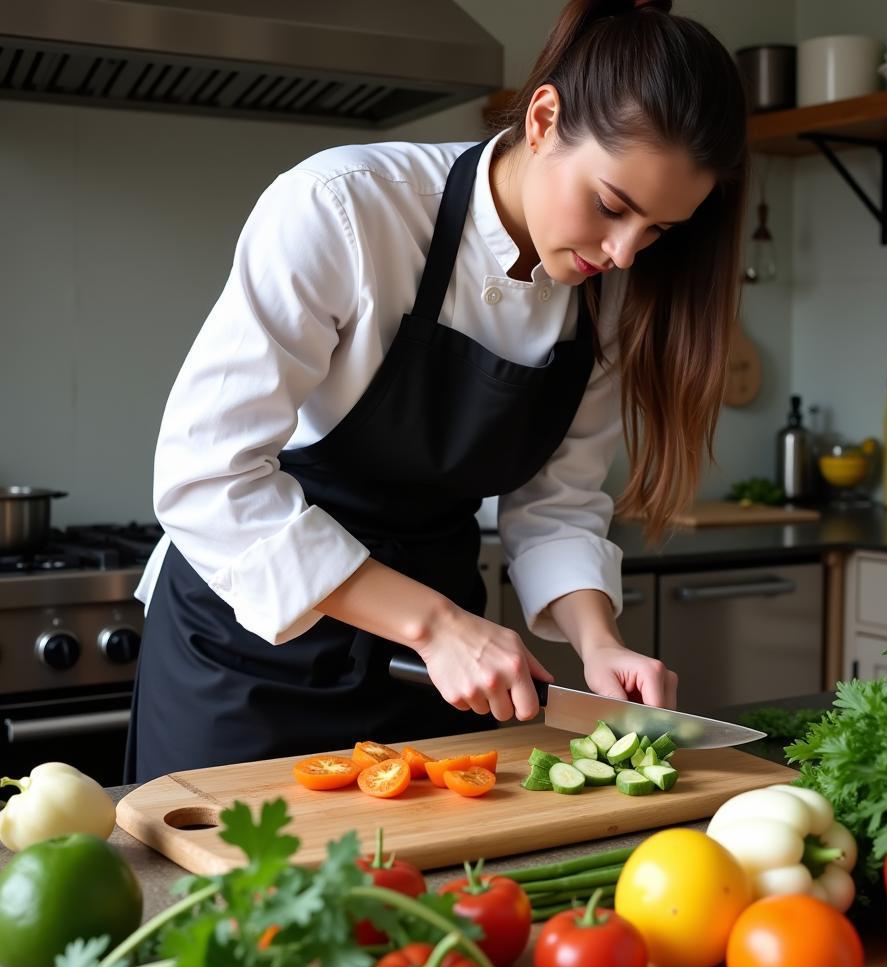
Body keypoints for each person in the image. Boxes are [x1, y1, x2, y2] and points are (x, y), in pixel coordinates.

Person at [124, 0, 749, 784]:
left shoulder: (605, 290)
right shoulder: (345, 208)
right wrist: (434, 622)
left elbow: (557, 500)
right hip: (246, 654)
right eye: (612, 206)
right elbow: (205, 477)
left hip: (429, 669)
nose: (624, 253)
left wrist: (599, 644)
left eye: (658, 230)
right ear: (546, 117)